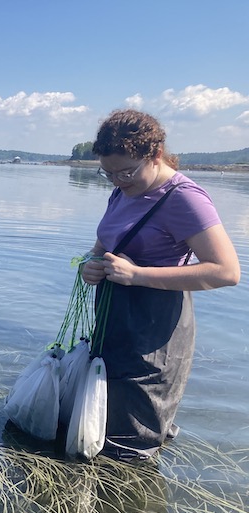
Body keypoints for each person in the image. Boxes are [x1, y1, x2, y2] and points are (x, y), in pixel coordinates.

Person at [81, 109, 240, 461]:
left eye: (126, 171)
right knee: (107, 418)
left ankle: (132, 506)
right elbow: (105, 244)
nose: (118, 181)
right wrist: (90, 265)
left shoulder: (184, 197)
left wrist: (138, 275)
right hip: (115, 318)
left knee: (136, 437)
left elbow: (226, 272)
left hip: (155, 329)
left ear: (155, 155)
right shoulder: (122, 191)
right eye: (108, 174)